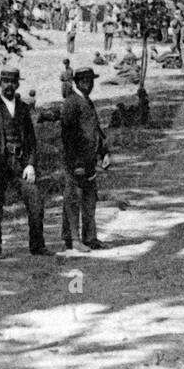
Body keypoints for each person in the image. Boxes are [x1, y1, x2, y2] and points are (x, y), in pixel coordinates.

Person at [0, 65, 50, 259]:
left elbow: (31, 140)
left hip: (20, 163)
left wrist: (31, 164)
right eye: (6, 82)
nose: (9, 85)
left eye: (13, 82)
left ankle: (37, 245)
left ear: (17, 84)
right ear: (0, 84)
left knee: (35, 200)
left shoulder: (24, 109)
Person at [60, 65, 110, 251]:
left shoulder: (88, 102)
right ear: (77, 82)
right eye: (83, 81)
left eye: (90, 81)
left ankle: (90, 237)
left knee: (89, 199)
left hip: (90, 160)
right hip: (76, 161)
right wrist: (76, 163)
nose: (87, 85)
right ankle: (73, 239)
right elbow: (68, 137)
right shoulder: (71, 103)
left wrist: (104, 153)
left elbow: (96, 130)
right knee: (73, 198)